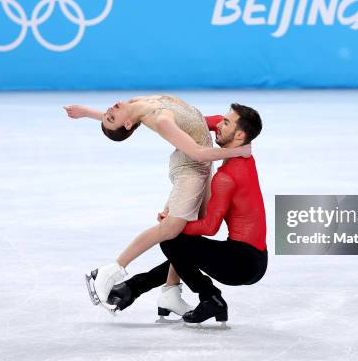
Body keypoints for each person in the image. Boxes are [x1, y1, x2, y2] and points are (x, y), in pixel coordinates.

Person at [63, 95, 251, 312]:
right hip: (191, 169)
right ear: (126, 124)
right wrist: (237, 151)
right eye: (110, 117)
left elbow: (121, 120)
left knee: (192, 235)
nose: (109, 111)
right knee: (171, 228)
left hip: (201, 170)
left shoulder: (137, 105)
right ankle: (110, 271)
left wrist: (87, 112)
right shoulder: (160, 120)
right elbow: (199, 154)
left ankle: (170, 293)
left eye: (108, 115)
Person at [107, 103, 267, 325]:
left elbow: (211, 227)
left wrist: (173, 223)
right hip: (256, 259)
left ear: (239, 135)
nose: (219, 124)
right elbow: (199, 122)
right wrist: (130, 117)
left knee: (173, 241)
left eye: (226, 122)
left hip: (241, 264)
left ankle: (210, 297)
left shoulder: (226, 177)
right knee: (186, 253)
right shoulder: (244, 156)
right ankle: (132, 288)